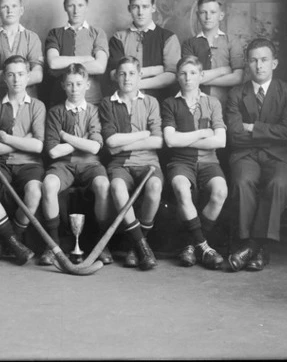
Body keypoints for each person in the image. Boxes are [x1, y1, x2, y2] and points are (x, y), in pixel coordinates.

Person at [225, 38, 287, 272]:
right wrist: (266, 132)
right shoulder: (237, 93)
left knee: (278, 184)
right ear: (247, 64)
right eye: (254, 60)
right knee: (242, 180)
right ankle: (255, 247)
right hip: (246, 153)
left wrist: (253, 127)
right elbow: (235, 134)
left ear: (274, 63)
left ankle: (253, 247)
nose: (259, 65)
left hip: (281, 156)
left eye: (264, 60)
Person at [39, 63, 113, 266]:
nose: (74, 89)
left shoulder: (94, 111)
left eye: (79, 84)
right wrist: (82, 142)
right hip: (63, 165)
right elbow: (53, 151)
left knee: (103, 185)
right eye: (70, 84)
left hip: (91, 164)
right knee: (49, 185)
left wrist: (65, 136)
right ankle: (52, 245)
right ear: (63, 85)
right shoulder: (55, 112)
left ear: (87, 85)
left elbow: (96, 148)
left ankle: (101, 243)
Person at [0, 55, 45, 265]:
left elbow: (38, 146)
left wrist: (6, 138)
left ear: (28, 77)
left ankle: (6, 242)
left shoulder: (37, 106)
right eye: (11, 75)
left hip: (30, 164)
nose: (16, 79)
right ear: (4, 79)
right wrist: (24, 141)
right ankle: (14, 243)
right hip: (1, 163)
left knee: (34, 191)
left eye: (21, 74)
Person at [161, 55, 228, 270]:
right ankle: (206, 249)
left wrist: (185, 138)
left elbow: (221, 140)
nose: (188, 78)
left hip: (209, 162)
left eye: (192, 73)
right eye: (183, 73)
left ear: (201, 76)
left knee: (220, 192)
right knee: (181, 187)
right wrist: (201, 133)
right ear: (178, 77)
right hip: (181, 162)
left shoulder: (212, 102)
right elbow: (171, 141)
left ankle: (192, 245)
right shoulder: (170, 103)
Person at [99, 56, 164, 270]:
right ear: (116, 77)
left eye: (132, 73)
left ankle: (137, 244)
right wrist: (143, 134)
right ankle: (142, 248)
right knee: (117, 187)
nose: (127, 78)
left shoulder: (151, 102)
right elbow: (110, 142)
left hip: (149, 162)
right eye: (122, 73)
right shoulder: (107, 103)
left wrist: (123, 142)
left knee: (155, 186)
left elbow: (158, 140)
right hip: (120, 164)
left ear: (140, 76)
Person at [108, 0, 181, 101]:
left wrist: (133, 85)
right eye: (135, 7)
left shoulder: (168, 37)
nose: (140, 12)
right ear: (129, 9)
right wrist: (158, 70)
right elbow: (114, 74)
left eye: (145, 7)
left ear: (153, 8)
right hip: (127, 103)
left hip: (160, 103)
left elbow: (172, 75)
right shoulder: (118, 38)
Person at [0, 0, 44, 106]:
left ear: (21, 10)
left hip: (27, 104)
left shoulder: (32, 38)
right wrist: (20, 77)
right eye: (4, 7)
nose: (10, 10)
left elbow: (38, 75)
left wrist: (6, 77)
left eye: (14, 6)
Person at [44, 0, 109, 105]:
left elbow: (100, 67)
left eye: (80, 5)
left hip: (91, 101)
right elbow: (53, 63)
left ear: (87, 6)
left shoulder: (97, 33)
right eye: (71, 5)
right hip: (61, 100)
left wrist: (62, 68)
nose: (76, 11)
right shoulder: (55, 33)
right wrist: (87, 59)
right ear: (64, 6)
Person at [181, 0, 244, 105]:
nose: (208, 17)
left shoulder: (232, 41)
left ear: (221, 15)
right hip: (196, 103)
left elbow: (238, 77)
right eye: (203, 12)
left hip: (227, 104)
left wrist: (201, 80)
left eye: (213, 12)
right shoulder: (189, 44)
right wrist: (223, 71)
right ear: (197, 15)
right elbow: (189, 76)